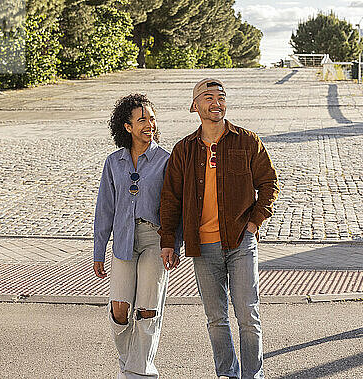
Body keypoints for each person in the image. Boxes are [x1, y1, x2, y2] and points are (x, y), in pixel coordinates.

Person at [159, 78, 278, 379]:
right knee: (215, 318)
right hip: (203, 247)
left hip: (240, 242)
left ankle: (253, 376)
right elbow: (170, 198)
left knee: (248, 316)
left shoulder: (247, 141)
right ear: (195, 106)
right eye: (208, 97)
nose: (216, 103)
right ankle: (227, 373)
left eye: (221, 97)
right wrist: (168, 241)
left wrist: (254, 222)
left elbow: (269, 183)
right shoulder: (184, 150)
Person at [94, 94, 177, 379]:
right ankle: (129, 363)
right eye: (142, 119)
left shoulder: (166, 160)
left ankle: (139, 372)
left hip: (154, 239)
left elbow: (173, 206)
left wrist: (171, 243)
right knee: (120, 308)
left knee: (147, 308)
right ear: (127, 126)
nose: (149, 124)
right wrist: (98, 252)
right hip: (124, 241)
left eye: (152, 119)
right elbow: (104, 209)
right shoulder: (113, 162)